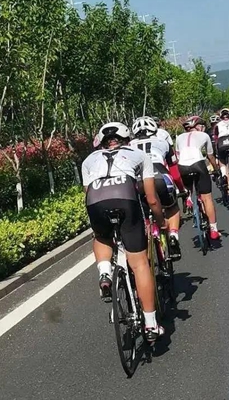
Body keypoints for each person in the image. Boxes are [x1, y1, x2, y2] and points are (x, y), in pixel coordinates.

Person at [82, 122, 166, 341]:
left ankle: (104, 272)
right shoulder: (139, 155)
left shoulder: (89, 160)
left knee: (102, 237)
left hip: (96, 202)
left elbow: (87, 194)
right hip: (126, 199)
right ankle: (150, 324)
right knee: (139, 264)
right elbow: (151, 199)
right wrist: (161, 221)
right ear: (127, 139)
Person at [130, 116, 187, 260]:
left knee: (142, 214)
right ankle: (173, 235)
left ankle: (147, 240)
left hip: (138, 180)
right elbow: (175, 172)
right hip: (161, 175)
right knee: (172, 208)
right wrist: (181, 189)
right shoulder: (163, 142)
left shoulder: (128, 146)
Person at [175, 115, 221, 240]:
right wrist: (216, 170)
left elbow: (178, 157)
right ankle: (214, 229)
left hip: (183, 166)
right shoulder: (204, 135)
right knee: (207, 198)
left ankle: (189, 196)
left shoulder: (179, 137)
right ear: (198, 126)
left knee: (188, 184)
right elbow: (210, 156)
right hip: (198, 164)